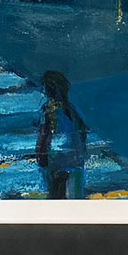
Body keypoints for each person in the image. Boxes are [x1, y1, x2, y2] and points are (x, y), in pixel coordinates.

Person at [35, 70, 87, 200]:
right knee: (75, 199)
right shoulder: (72, 110)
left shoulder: (47, 109)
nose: (42, 91)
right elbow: (82, 133)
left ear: (48, 90)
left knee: (56, 198)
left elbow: (43, 135)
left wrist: (40, 155)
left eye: (44, 88)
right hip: (75, 160)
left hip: (55, 160)